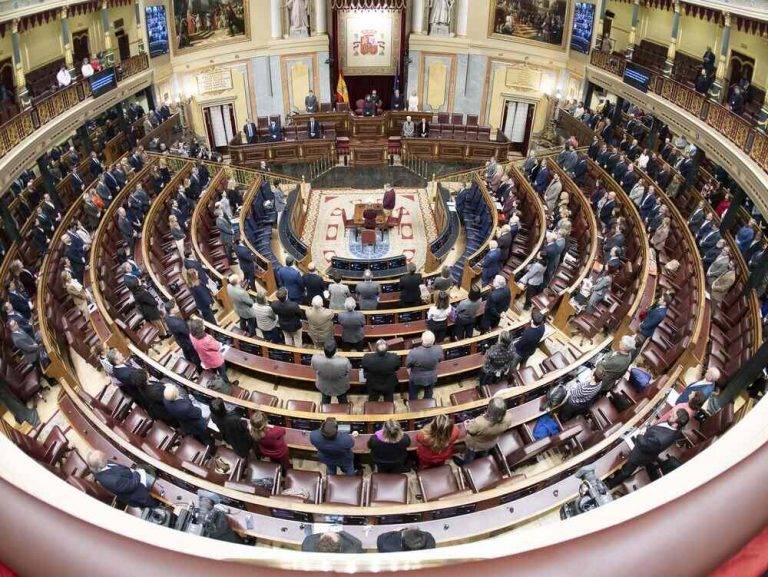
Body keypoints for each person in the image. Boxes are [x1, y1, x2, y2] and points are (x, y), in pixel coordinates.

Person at [607, 409, 689, 488]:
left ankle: (610, 484)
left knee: (626, 471)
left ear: (676, 424)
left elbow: (644, 445)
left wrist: (640, 434)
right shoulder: (677, 429)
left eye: (673, 416)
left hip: (640, 454)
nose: (670, 414)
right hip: (648, 444)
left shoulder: (661, 439)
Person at [87, 451, 157, 507]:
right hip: (136, 493)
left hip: (129, 478)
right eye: (104, 457)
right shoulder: (112, 481)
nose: (106, 454)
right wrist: (138, 473)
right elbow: (131, 485)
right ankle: (155, 506)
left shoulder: (97, 467)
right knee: (151, 502)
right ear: (101, 463)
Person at [460, 396, 513, 464]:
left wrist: (466, 424)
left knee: (469, 456)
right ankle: (482, 460)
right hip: (491, 442)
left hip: (476, 445)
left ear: (489, 409)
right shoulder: (508, 418)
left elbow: (470, 431)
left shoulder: (479, 422)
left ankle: (467, 465)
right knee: (483, 453)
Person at [189, 318, 237, 385]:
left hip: (205, 359)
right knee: (222, 373)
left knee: (214, 373)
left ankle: (217, 383)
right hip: (215, 360)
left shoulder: (191, 336)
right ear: (200, 330)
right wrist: (211, 337)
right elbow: (217, 346)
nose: (204, 326)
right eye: (203, 326)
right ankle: (227, 385)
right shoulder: (206, 340)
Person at [406, 330, 444, 400]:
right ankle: (427, 404)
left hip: (416, 378)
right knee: (429, 393)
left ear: (422, 340)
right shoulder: (439, 349)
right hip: (432, 376)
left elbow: (408, 364)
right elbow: (440, 360)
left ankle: (413, 405)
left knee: (413, 393)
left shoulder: (414, 352)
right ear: (434, 340)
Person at [164, 302, 201, 371]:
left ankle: (189, 361)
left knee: (187, 354)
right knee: (195, 357)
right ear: (172, 310)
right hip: (187, 342)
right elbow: (188, 333)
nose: (177, 307)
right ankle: (199, 369)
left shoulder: (167, 316)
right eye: (175, 306)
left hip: (180, 340)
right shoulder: (177, 324)